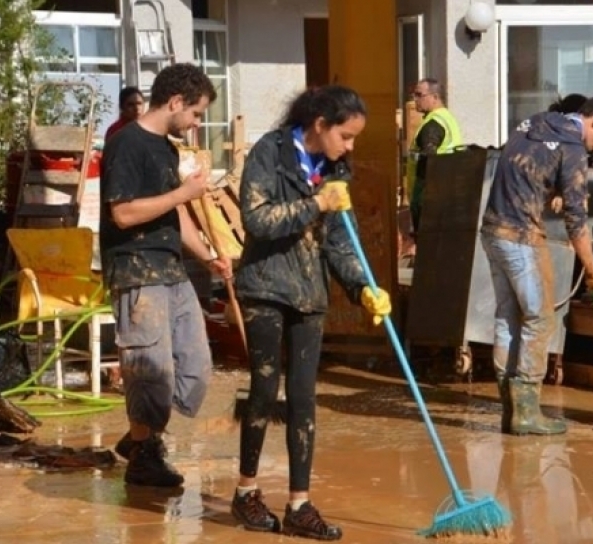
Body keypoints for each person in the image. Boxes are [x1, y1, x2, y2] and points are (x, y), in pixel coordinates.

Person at [230, 85, 392, 540]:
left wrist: (363, 287)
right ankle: (246, 492)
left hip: (309, 293)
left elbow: (340, 241)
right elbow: (256, 219)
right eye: (346, 135)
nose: (350, 146)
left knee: (304, 398)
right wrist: (316, 203)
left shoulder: (336, 170)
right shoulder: (270, 152)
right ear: (320, 124)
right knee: (265, 390)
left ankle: (299, 504)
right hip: (264, 286)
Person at [99, 63, 231, 487]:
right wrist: (183, 192)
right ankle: (144, 455)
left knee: (195, 368)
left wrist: (208, 257)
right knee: (150, 368)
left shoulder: (166, 149)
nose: (197, 123)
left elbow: (175, 213)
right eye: (196, 113)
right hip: (136, 270)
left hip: (171, 268)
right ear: (175, 102)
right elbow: (123, 213)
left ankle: (141, 434)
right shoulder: (125, 144)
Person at [481, 95, 593, 435]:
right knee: (540, 318)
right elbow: (577, 221)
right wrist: (592, 268)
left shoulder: (534, 122)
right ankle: (527, 413)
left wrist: (554, 189)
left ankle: (510, 410)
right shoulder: (573, 148)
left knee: (507, 316)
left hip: (492, 231)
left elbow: (524, 169)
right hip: (521, 236)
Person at [405, 78, 463, 234]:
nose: (415, 99)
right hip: (447, 193)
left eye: (419, 95)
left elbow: (429, 161)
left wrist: (424, 200)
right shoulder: (447, 119)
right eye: (414, 95)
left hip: (428, 196)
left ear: (435, 97)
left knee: (427, 242)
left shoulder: (433, 125)